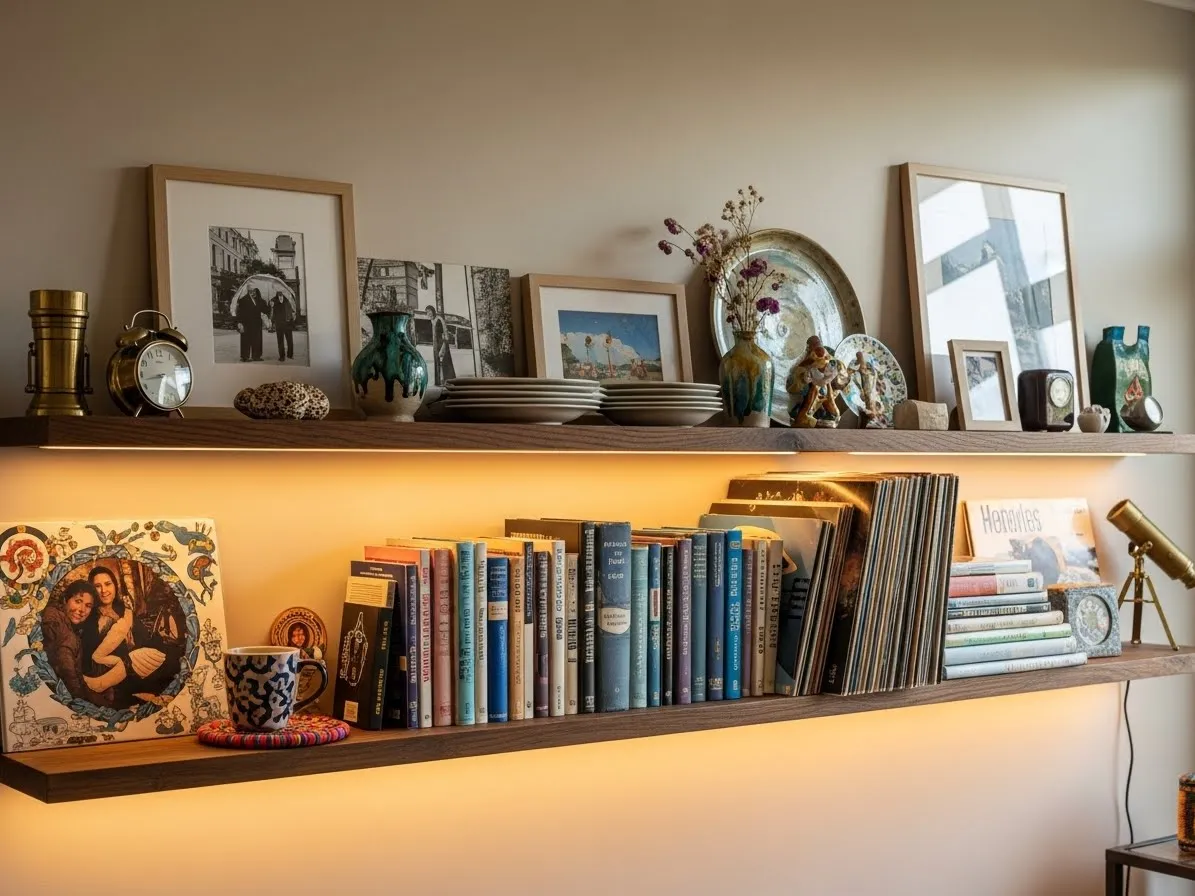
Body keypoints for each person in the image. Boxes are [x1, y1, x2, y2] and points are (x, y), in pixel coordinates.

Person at [41, 581, 97, 699]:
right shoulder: (59, 625)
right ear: (65, 600)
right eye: (78, 601)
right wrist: (84, 700)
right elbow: (67, 671)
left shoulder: (67, 625)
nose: (82, 610)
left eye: (88, 606)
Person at [235, 288, 269, 362]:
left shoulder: (259, 300)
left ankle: (256, 356)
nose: (253, 292)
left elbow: (265, 310)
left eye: (254, 291)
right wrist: (240, 323)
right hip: (246, 323)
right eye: (252, 290)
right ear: (248, 290)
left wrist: (270, 305)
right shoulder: (243, 300)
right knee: (246, 340)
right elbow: (240, 313)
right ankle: (245, 357)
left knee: (257, 340)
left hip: (257, 324)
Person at [269, 291, 295, 361]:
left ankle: (290, 354)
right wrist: (272, 322)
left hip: (287, 323)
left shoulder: (287, 300)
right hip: (279, 324)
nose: (280, 294)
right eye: (278, 292)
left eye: (281, 292)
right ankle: (282, 356)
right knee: (280, 341)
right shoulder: (273, 300)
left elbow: (291, 310)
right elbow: (271, 310)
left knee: (290, 340)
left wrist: (291, 320)